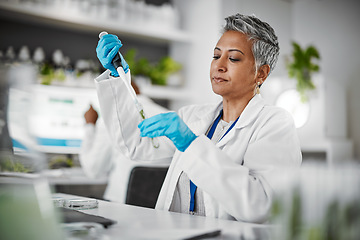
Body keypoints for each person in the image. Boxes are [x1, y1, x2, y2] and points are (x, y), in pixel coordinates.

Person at [94, 13, 302, 223]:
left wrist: (191, 143)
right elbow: (134, 145)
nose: (219, 65)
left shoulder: (275, 124)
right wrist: (116, 76)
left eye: (233, 58)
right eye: (216, 56)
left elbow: (261, 205)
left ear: (261, 73)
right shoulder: (193, 117)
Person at [79, 82, 169, 203]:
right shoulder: (170, 116)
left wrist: (90, 125)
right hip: (160, 208)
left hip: (121, 207)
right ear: (137, 88)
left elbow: (93, 170)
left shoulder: (114, 121)